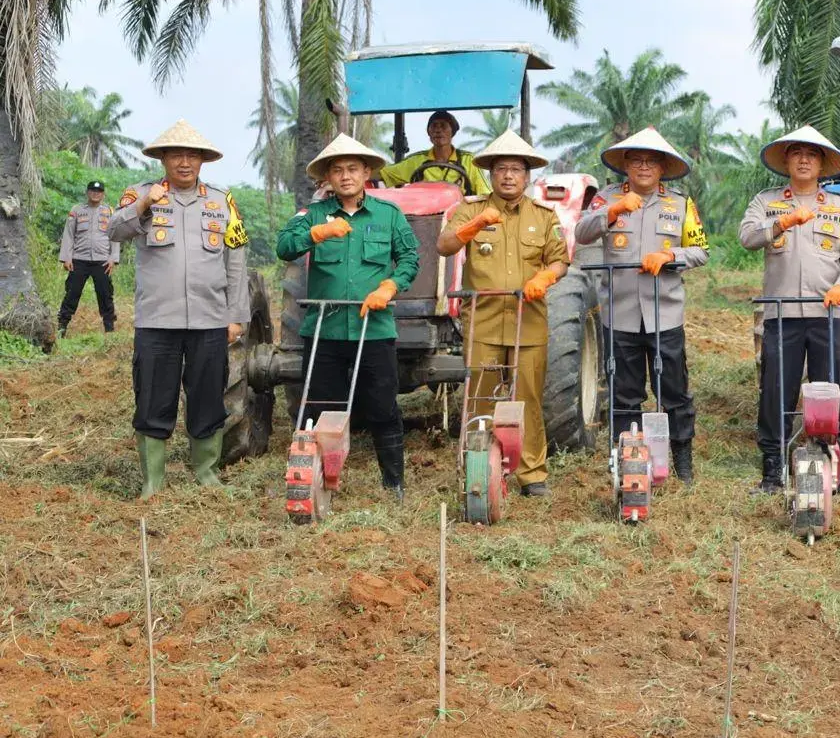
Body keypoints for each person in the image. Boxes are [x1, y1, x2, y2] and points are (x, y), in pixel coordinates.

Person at [108, 120, 249, 498]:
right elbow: (113, 231)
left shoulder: (222, 201)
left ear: (203, 161)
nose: (184, 162)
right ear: (163, 159)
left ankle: (206, 471)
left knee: (208, 395)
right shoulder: (140, 193)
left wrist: (236, 317)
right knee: (154, 396)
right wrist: (143, 204)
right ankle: (153, 481)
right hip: (157, 320)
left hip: (209, 320)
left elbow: (236, 260)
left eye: (192, 155)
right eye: (176, 155)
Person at [277, 134, 420, 502]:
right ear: (327, 177)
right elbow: (284, 247)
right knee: (317, 408)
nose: (345, 176)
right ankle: (313, 481)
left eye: (352, 169)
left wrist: (389, 286)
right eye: (337, 170)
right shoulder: (313, 215)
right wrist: (316, 233)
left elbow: (409, 258)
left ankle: (394, 484)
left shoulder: (388, 215)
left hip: (373, 331)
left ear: (367, 172)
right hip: (324, 330)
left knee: (383, 407)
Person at [739, 126, 840, 496]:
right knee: (776, 391)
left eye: (812, 155)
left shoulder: (839, 206)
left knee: (831, 390)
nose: (804, 160)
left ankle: (834, 471)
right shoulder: (766, 202)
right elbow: (747, 237)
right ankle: (771, 472)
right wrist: (780, 223)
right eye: (797, 153)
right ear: (786, 161)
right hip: (782, 313)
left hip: (829, 313)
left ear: (823, 164)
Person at [574, 127, 707, 485]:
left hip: (665, 313)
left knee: (674, 390)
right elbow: (582, 233)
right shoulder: (606, 198)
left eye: (652, 161)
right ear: (625, 165)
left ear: (663, 167)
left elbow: (700, 250)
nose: (644, 166)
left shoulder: (679, 204)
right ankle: (625, 460)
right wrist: (613, 211)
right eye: (637, 160)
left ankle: (683, 460)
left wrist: (670, 255)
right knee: (623, 391)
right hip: (620, 314)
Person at [439, 131, 569, 496]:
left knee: (527, 395)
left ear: (527, 177)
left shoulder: (544, 216)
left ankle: (532, 473)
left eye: (516, 169)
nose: (508, 176)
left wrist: (546, 276)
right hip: (482, 320)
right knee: (480, 397)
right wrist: (474, 226)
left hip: (528, 321)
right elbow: (444, 245)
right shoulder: (471, 209)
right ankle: (479, 467)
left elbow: (560, 260)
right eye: (501, 170)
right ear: (490, 175)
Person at [57, 179, 120, 336]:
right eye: (92, 191)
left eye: (98, 191)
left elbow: (115, 236)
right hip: (79, 260)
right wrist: (67, 258)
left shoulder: (110, 212)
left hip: (102, 261)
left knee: (105, 295)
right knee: (72, 293)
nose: (95, 194)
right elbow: (69, 234)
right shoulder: (77, 210)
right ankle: (62, 327)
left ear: (103, 194)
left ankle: (109, 329)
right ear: (87, 192)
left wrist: (113, 258)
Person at [378, 110, 490, 195]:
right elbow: (383, 174)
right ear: (429, 132)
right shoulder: (416, 161)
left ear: (453, 131)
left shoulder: (469, 160)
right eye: (434, 126)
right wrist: (363, 171)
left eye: (443, 126)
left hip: (460, 219)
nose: (438, 130)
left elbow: (485, 194)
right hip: (423, 219)